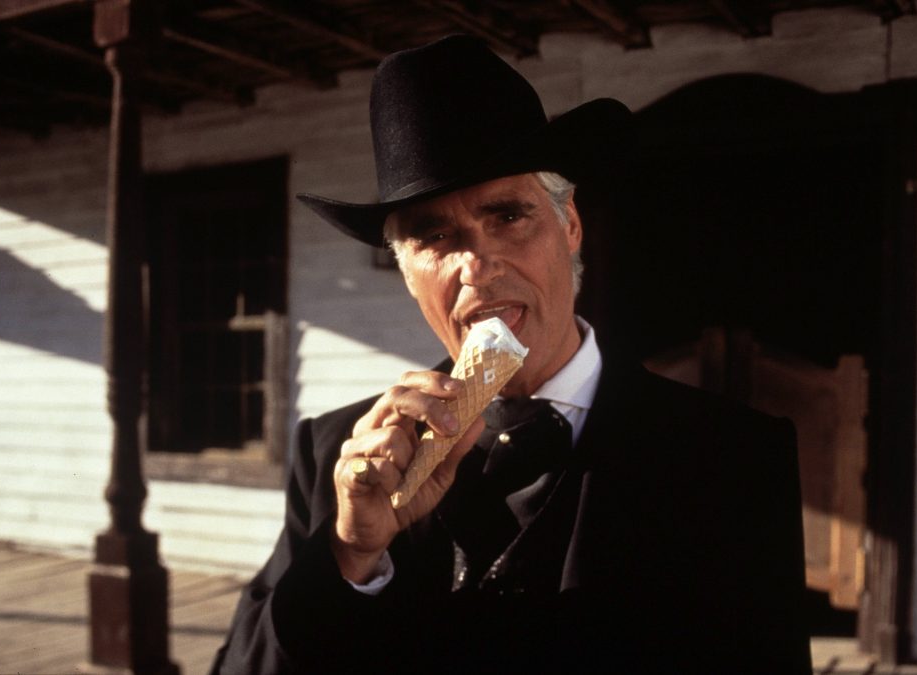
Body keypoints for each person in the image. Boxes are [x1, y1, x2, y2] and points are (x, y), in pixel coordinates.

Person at [211, 35, 810, 674]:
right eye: (434, 236)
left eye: (506, 217)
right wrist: (350, 554)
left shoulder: (733, 456)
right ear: (407, 273)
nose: (477, 266)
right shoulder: (338, 459)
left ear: (570, 226)